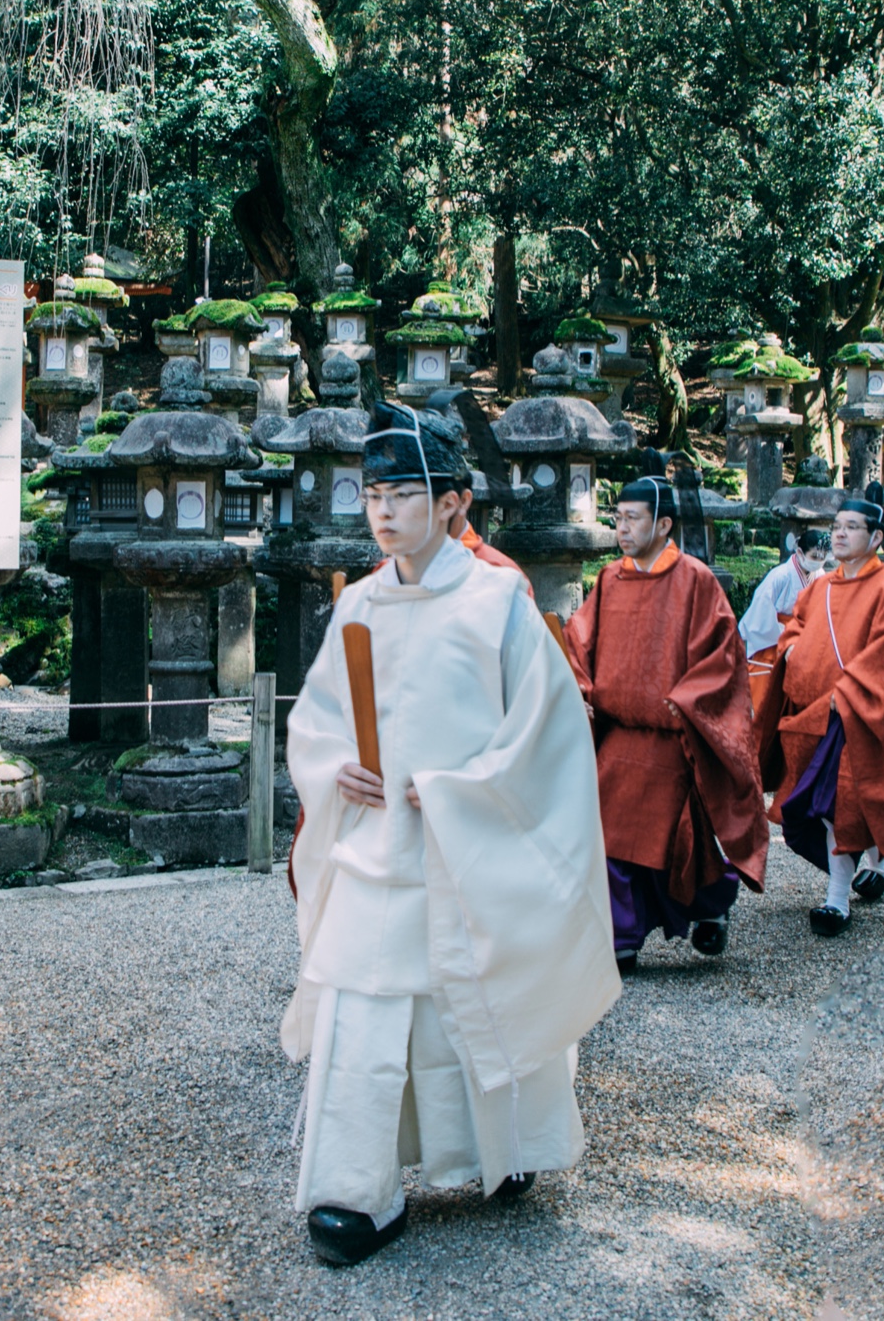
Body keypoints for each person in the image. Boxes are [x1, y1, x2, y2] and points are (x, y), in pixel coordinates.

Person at [283, 400, 619, 1267]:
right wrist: (330, 771)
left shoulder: (498, 600)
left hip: (466, 848)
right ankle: (357, 1191)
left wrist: (468, 792)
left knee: (474, 999)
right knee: (362, 1016)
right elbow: (317, 720)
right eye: (372, 495)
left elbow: (545, 732)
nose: (384, 511)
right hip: (374, 847)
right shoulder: (356, 604)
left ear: (453, 505)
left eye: (402, 493)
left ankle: (505, 1153)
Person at [563, 476, 768, 975]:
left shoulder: (695, 579)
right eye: (618, 518)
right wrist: (579, 692)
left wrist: (686, 702)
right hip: (618, 733)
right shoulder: (611, 579)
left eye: (632, 518)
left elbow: (723, 655)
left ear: (664, 524)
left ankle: (714, 899)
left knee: (671, 839)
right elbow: (578, 641)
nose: (622, 528)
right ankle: (623, 936)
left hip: (672, 734)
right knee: (607, 830)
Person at [754, 488, 884, 937]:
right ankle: (882, 856)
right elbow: (793, 627)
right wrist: (794, 649)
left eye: (852, 527)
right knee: (823, 803)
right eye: (837, 526)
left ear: (876, 538)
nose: (839, 533)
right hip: (816, 711)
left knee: (839, 801)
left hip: (860, 714)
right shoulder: (819, 588)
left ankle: (836, 900)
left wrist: (853, 690)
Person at [739, 532, 828, 713]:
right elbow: (761, 609)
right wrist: (784, 636)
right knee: (765, 693)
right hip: (773, 636)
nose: (818, 561)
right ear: (800, 552)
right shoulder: (780, 575)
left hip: (804, 637)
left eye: (822, 557)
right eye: (814, 556)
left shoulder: (820, 574)